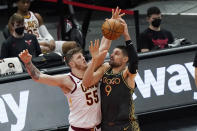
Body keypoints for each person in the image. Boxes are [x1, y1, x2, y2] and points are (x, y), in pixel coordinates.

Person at [18, 6, 124, 131]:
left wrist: (111, 26)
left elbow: (103, 48)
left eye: (83, 56)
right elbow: (37, 76)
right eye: (79, 57)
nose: (83, 58)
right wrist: (28, 62)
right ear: (71, 64)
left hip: (97, 128)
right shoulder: (67, 80)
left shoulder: (90, 68)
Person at [82, 18, 140, 131]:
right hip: (105, 126)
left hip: (126, 126)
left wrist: (126, 35)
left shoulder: (127, 76)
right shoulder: (105, 69)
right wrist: (112, 24)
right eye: (112, 52)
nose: (112, 55)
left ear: (125, 59)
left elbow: (134, 61)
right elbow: (102, 48)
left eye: (117, 53)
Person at [9, 0, 77, 54]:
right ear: (17, 3)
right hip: (31, 47)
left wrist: (51, 41)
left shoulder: (36, 16)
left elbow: (46, 34)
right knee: (45, 49)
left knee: (73, 45)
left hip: (45, 43)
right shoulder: (13, 20)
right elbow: (19, 42)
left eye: (28, 2)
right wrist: (43, 44)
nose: (26, 4)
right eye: (23, 2)